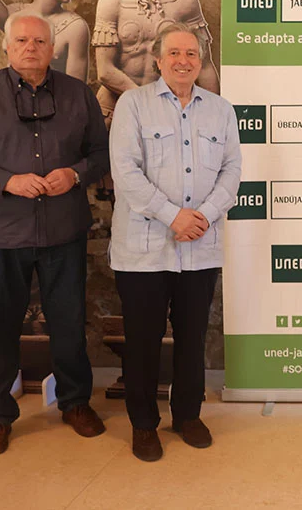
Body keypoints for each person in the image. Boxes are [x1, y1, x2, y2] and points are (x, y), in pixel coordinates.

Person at [0, 12, 110, 456]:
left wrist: (75, 175)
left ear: (52, 48)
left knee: (69, 324)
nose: (30, 48)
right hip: (1, 234)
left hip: (64, 232)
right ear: (7, 46)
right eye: (21, 40)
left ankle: (75, 403)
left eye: (39, 41)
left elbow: (100, 153)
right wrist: (6, 181)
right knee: (0, 326)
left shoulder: (78, 94)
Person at [109, 23, 241, 462]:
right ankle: (144, 424)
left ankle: (187, 416)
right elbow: (125, 172)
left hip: (200, 247)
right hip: (144, 249)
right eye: (174, 53)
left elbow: (232, 171)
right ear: (158, 60)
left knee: (191, 338)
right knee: (143, 341)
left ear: (200, 62)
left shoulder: (221, 110)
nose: (183, 61)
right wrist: (174, 216)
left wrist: (203, 216)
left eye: (191, 54)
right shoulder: (133, 105)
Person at [92, 0, 219, 127]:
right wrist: (148, 103)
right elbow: (105, 71)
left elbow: (204, 66)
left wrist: (212, 114)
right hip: (116, 109)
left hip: (171, 110)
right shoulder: (111, 1)